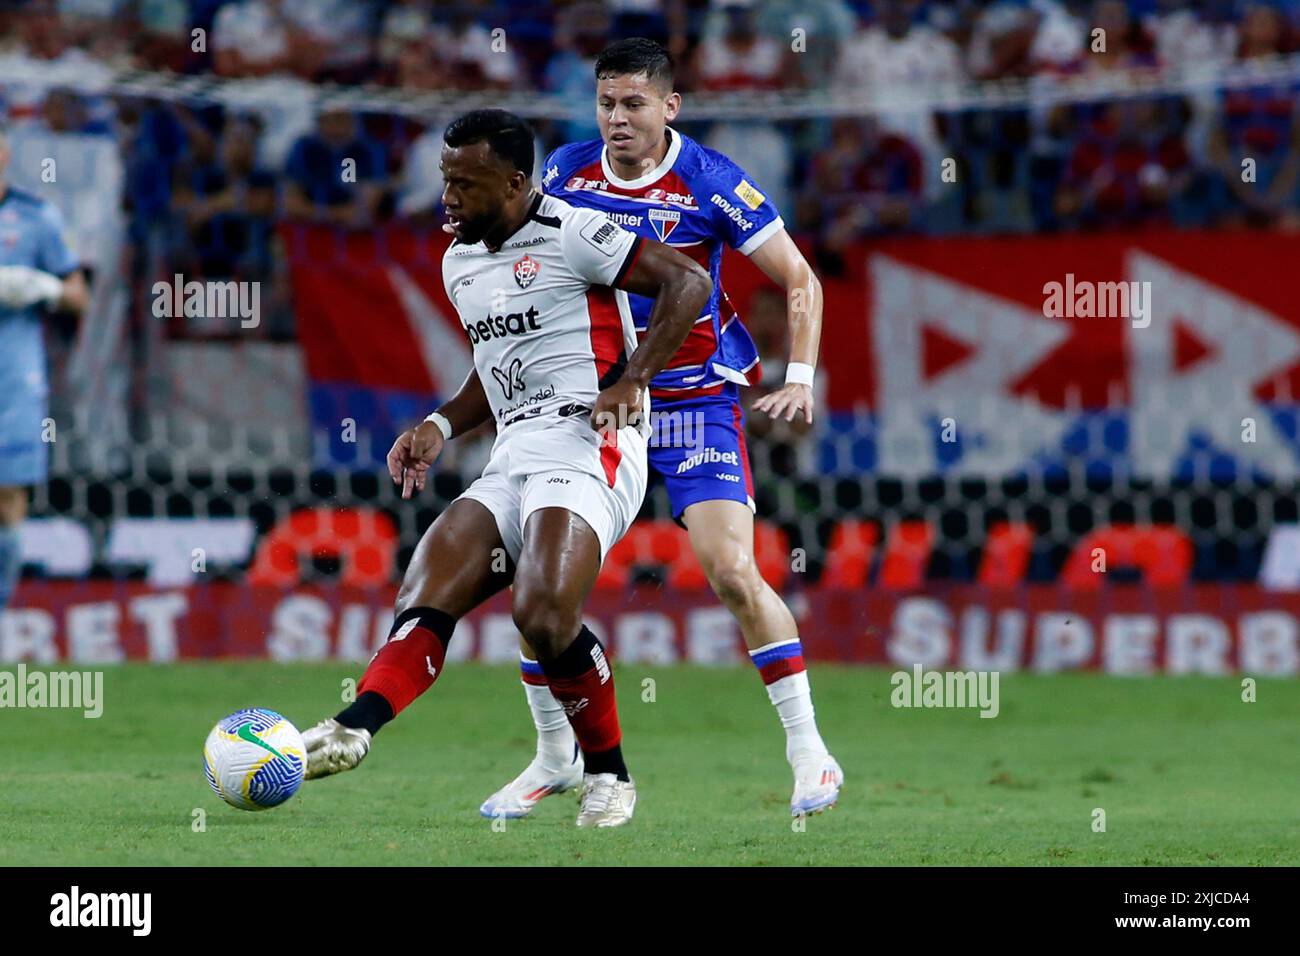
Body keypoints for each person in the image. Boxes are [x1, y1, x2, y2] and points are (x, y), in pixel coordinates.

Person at [301, 109, 713, 829]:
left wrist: (633, 379)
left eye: (467, 183)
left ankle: (609, 775)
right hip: (513, 451)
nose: (449, 198)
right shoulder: (457, 261)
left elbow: (687, 283)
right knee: (428, 586)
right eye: (445, 181)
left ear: (517, 181)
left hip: (591, 444)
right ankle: (352, 727)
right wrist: (437, 424)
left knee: (542, 612)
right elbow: (494, 371)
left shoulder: (574, 231)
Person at [481, 39, 842, 821]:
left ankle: (809, 752)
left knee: (731, 570)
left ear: (669, 107)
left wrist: (799, 379)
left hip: (691, 404)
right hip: (598, 399)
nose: (618, 119)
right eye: (607, 103)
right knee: (541, 583)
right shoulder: (567, 173)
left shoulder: (711, 181)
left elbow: (800, 280)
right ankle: (555, 756)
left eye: (634, 104)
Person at [0, 126, 89, 618]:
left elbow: (80, 296)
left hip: (13, 377)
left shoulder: (37, 218)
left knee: (8, 496)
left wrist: (40, 286)